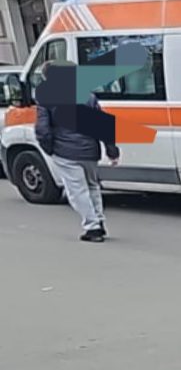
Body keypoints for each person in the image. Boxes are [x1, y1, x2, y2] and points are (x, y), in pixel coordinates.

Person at [34, 62, 120, 242]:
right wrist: (112, 151)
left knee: (76, 191)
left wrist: (49, 149)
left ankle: (92, 227)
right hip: (90, 151)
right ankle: (99, 221)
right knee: (92, 186)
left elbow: (42, 129)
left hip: (65, 151)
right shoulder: (88, 96)